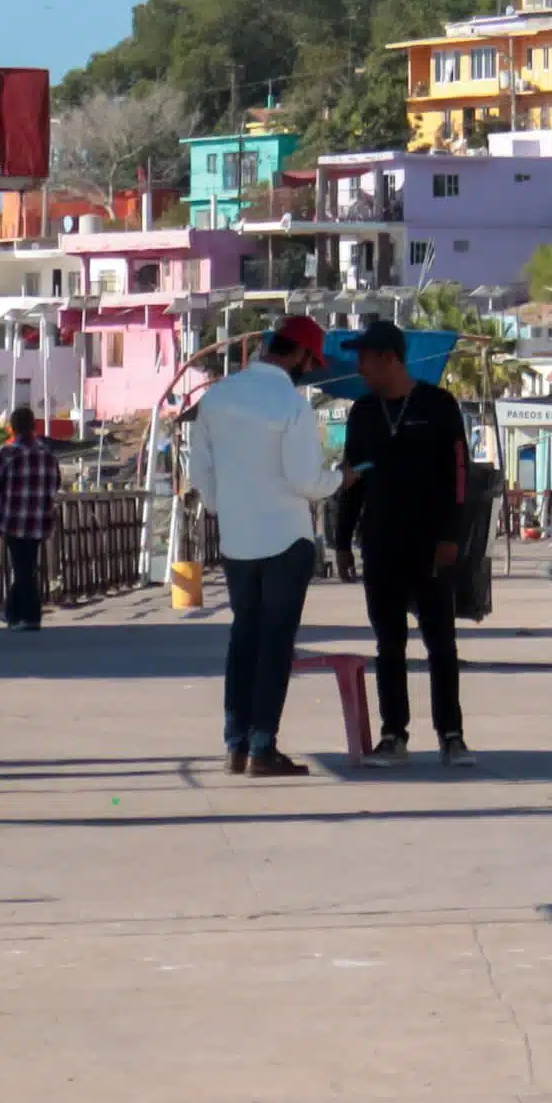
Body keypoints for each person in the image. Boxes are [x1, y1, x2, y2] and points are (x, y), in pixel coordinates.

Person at [182, 315, 339, 777]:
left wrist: (226, 507)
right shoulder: (292, 405)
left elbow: (202, 474)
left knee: (243, 639)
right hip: (287, 540)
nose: (309, 371)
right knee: (275, 644)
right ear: (300, 356)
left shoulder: (216, 397)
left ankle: (234, 743)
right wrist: (340, 479)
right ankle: (263, 746)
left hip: (237, 541)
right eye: (311, 363)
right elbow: (307, 480)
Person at [338, 320, 475, 765]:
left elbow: (459, 477)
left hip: (432, 543)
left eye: (364, 358)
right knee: (389, 644)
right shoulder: (361, 413)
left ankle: (451, 735)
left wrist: (452, 534)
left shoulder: (438, 406)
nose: (359, 368)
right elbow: (352, 480)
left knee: (441, 641)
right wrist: (342, 541)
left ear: (388, 358)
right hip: (380, 544)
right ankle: (393, 734)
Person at [0, 407, 65, 630]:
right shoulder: (47, 454)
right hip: (40, 519)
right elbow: (56, 483)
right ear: (34, 426)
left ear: (12, 427)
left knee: (21, 569)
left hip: (13, 519)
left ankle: (24, 616)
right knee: (28, 566)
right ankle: (19, 614)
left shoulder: (9, 453)